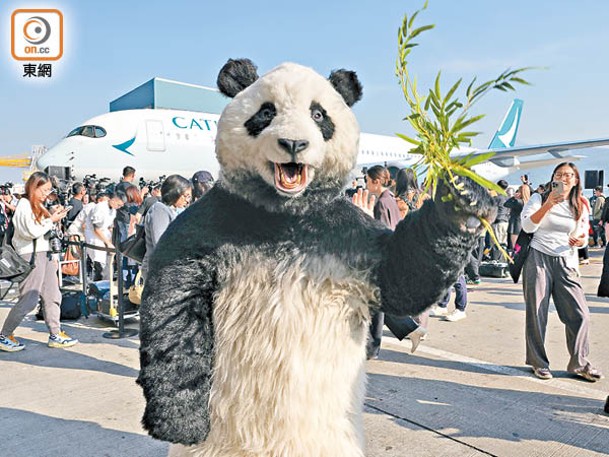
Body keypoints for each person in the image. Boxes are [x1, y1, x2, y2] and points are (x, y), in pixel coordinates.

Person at [521, 162, 603, 381]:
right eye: (559, 174)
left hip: (566, 260)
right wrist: (548, 204)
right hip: (538, 258)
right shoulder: (538, 199)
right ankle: (538, 363)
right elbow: (528, 227)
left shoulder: (581, 204)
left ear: (576, 180)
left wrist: (579, 241)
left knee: (580, 314)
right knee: (537, 312)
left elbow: (583, 234)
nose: (564, 178)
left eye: (569, 175)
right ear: (553, 178)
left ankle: (579, 363)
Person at [0, 172, 77, 352]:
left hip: (45, 253)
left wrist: (52, 215)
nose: (46, 194)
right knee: (29, 299)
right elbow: (31, 232)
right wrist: (52, 219)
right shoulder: (24, 205)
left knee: (52, 295)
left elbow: (42, 228)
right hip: (32, 256)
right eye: (44, 190)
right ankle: (4, 335)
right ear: (34, 188)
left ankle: (55, 333)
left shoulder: (37, 205)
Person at [141, 175, 192, 279]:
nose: (187, 200)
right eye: (186, 196)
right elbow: (161, 244)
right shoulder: (160, 211)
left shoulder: (168, 210)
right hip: (159, 271)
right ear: (175, 193)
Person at [504, 184, 531, 251]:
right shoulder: (528, 202)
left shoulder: (518, 201)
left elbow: (506, 204)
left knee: (513, 246)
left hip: (515, 224)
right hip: (523, 224)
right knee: (518, 246)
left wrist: (513, 197)